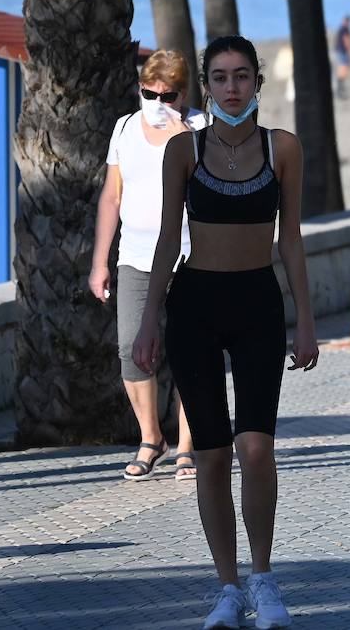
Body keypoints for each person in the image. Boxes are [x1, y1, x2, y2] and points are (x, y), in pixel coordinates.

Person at [133, 36, 319, 630]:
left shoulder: (282, 148)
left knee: (256, 446)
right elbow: (167, 238)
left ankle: (263, 580)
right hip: (195, 305)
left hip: (258, 304)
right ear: (206, 87)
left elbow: (290, 237)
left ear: (257, 82)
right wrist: (147, 322)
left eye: (241, 76)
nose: (231, 87)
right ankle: (227, 587)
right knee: (210, 454)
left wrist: (307, 321)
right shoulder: (182, 151)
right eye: (219, 77)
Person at [90, 50, 207, 481]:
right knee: (130, 350)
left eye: (168, 94)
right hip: (136, 257)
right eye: (148, 93)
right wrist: (99, 261)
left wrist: (184, 137)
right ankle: (150, 436)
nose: (157, 102)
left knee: (190, 352)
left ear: (183, 95)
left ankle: (186, 446)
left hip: (192, 257)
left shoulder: (200, 129)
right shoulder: (124, 128)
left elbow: (208, 190)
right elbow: (112, 196)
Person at [334, 16, 350, 99]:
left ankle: (340, 85)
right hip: (343, 51)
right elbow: (346, 40)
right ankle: (340, 86)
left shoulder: (341, 28)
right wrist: (349, 50)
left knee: (343, 67)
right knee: (344, 67)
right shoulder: (345, 29)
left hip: (340, 51)